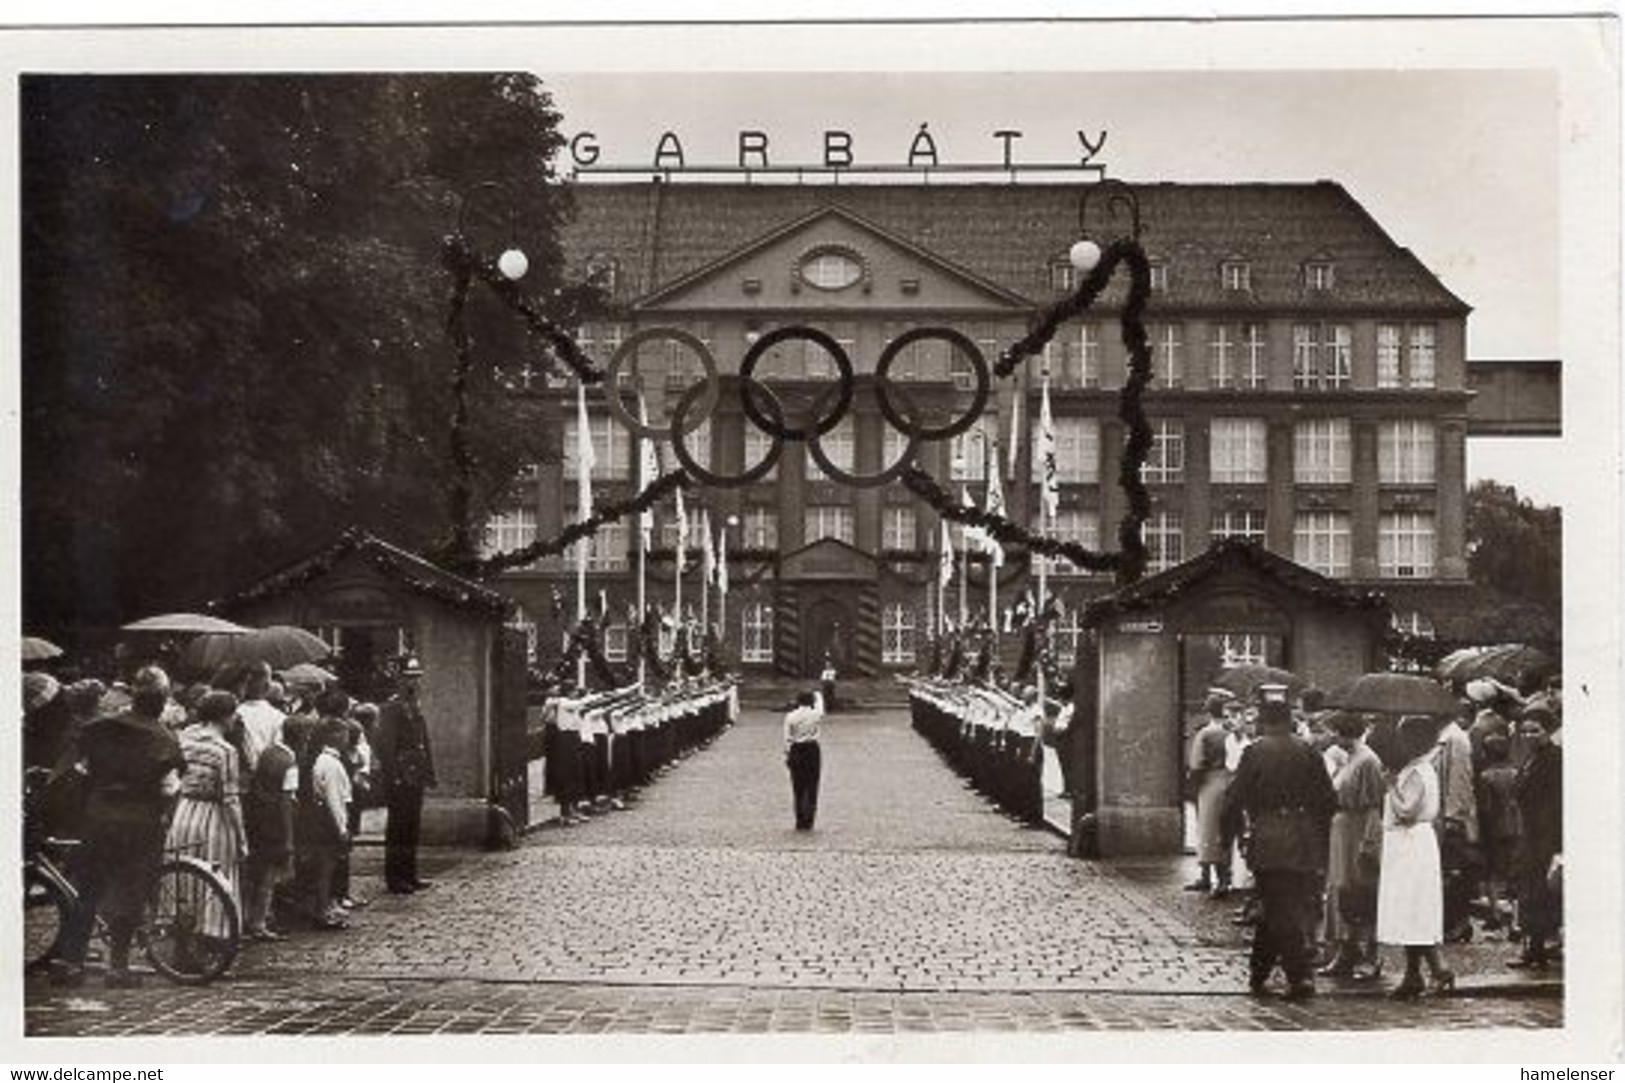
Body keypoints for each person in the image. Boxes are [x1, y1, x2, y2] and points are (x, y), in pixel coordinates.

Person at [51, 666, 186, 988]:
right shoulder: (164, 738)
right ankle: (118, 967)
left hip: (99, 818)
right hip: (140, 824)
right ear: (163, 700)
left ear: (133, 696)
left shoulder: (99, 728)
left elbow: (80, 771)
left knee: (88, 890)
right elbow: (170, 787)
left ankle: (71, 962)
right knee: (130, 892)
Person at [1221, 697, 1336, 1000]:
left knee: (1278, 907)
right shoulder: (1309, 751)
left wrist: (1228, 839)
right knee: (1285, 905)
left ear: (1265, 721)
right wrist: (1319, 836)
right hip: (1304, 836)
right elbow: (1328, 799)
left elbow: (1234, 799)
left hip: (1270, 836)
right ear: (1288, 720)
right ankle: (1259, 971)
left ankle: (1298, 976)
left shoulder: (1254, 752)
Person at [1378, 715, 1456, 999]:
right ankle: (1414, 973)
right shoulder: (1419, 768)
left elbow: (1407, 810)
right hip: (1410, 842)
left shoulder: (1418, 771)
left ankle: (1439, 968)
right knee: (1410, 909)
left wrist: (1389, 785)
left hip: (1410, 842)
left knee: (1414, 907)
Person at [165, 690, 249, 951]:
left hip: (184, 812)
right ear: (225, 716)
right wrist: (242, 838)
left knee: (184, 879)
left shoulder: (185, 737)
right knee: (216, 878)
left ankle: (182, 940)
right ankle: (210, 938)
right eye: (233, 713)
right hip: (213, 818)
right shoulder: (225, 751)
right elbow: (230, 799)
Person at [1319, 712, 1387, 980]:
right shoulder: (1349, 759)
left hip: (1358, 830)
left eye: (1334, 732)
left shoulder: (1368, 761)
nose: (1331, 738)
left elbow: (1373, 805)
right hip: (1343, 828)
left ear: (1345, 732)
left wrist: (1369, 842)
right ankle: (1345, 951)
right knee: (1340, 890)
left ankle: (1368, 955)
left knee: (1361, 891)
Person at [375, 655, 436, 894]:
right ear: (398, 679)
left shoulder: (414, 706)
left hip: (414, 775)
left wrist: (428, 771)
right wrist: (394, 775)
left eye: (416, 678)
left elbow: (423, 742)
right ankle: (395, 877)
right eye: (409, 678)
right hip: (400, 776)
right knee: (398, 827)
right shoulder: (391, 708)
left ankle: (409, 873)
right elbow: (386, 745)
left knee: (412, 825)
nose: (414, 683)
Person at [1510, 704, 1562, 969]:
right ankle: (1533, 946)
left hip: (1545, 836)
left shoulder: (1555, 759)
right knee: (1529, 891)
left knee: (1542, 893)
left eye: (1535, 731)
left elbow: (1555, 803)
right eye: (1525, 731)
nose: (1529, 736)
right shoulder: (1529, 759)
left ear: (1548, 731)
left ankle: (1539, 947)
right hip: (1529, 833)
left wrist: (1554, 844)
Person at [243, 712, 302, 941]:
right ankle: (259, 922)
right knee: (268, 878)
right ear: (302, 738)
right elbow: (286, 801)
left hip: (257, 820)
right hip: (275, 824)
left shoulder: (268, 753)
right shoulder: (290, 764)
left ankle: (250, 917)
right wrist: (289, 840)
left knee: (255, 873)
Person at [1433, 706, 1480, 943]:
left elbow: (1459, 778)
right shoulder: (1442, 737)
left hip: (1450, 817)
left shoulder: (1455, 738)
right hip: (1439, 815)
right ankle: (1451, 920)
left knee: (1455, 872)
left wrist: (1454, 815)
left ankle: (1459, 922)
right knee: (1447, 871)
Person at [1185, 692, 1236, 897]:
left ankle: (1207, 875)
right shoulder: (1231, 732)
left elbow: (1196, 763)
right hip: (1230, 780)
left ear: (1208, 711)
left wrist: (1192, 783)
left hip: (1210, 781)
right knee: (1226, 829)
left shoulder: (1206, 734)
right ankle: (1226, 876)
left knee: (1207, 829)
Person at [305, 717, 354, 929]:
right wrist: (342, 828)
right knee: (326, 868)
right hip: (328, 820)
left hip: (324, 818)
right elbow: (334, 799)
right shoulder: (331, 764)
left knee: (326, 868)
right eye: (344, 734)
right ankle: (322, 912)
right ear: (334, 736)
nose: (347, 738)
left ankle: (324, 908)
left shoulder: (326, 760)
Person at [784, 689, 824, 831]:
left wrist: (787, 755)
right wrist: (818, 694)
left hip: (796, 749)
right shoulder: (816, 714)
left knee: (798, 786)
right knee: (812, 784)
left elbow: (787, 738)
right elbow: (821, 706)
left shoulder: (791, 716)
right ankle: (810, 819)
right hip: (812, 749)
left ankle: (799, 819)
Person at [236, 662, 286, 774]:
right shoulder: (278, 717)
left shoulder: (233, 715)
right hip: (268, 778)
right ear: (268, 686)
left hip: (240, 777)